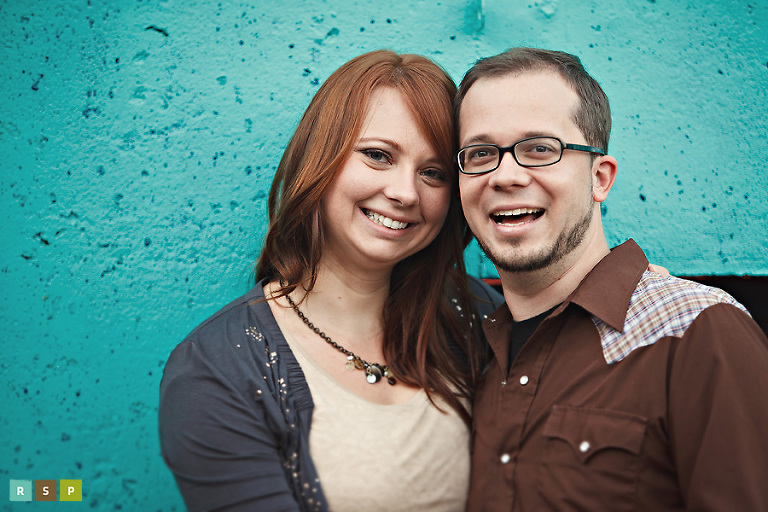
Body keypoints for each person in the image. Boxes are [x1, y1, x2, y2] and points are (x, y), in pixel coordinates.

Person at [158, 50, 501, 512]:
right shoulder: (217, 370)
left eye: (433, 173)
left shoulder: (482, 320)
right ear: (319, 158)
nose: (405, 193)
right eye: (377, 155)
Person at [455, 47, 768, 511]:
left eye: (540, 149)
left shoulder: (698, 332)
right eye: (481, 154)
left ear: (600, 178)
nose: (505, 176)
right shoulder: (471, 351)